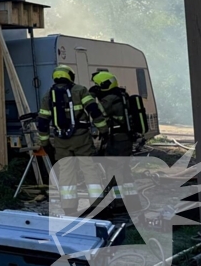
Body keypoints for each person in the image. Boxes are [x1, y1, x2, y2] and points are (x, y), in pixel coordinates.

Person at [36, 64, 109, 215]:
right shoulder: (80, 91)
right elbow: (93, 111)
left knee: (66, 172)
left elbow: (42, 121)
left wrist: (45, 142)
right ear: (70, 76)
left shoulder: (48, 95)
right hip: (81, 138)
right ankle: (97, 206)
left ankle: (69, 208)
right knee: (89, 169)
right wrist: (103, 129)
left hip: (61, 141)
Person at [91, 70, 140, 206]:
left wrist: (91, 96)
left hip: (117, 140)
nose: (97, 88)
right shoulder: (121, 94)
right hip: (125, 139)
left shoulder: (110, 99)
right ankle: (132, 199)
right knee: (124, 169)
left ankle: (118, 202)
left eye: (98, 85)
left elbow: (97, 111)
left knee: (113, 172)